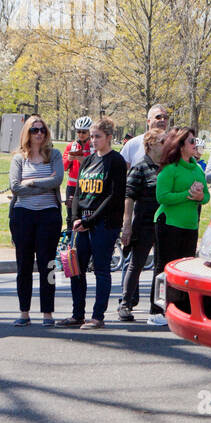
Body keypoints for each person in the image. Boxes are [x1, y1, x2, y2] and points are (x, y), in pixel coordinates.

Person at [59, 118, 127, 329]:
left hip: (104, 224)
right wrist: (75, 218)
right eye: (92, 136)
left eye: (98, 136)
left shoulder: (115, 161)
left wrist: (90, 220)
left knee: (101, 269)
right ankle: (77, 313)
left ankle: (98, 316)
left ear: (109, 137)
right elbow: (78, 191)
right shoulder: (88, 161)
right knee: (75, 268)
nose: (93, 140)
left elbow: (113, 197)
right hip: (82, 223)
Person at [9, 116, 65, 327]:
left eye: (42, 130)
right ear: (27, 133)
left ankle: (48, 312)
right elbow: (15, 187)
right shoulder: (19, 159)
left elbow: (57, 179)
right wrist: (45, 183)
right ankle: (24, 312)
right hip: (23, 215)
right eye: (34, 130)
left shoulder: (54, 155)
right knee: (23, 264)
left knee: (48, 264)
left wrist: (31, 182)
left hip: (48, 215)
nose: (39, 134)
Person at [152, 127, 209, 326]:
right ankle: (157, 310)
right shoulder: (170, 169)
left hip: (190, 225)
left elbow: (207, 197)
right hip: (168, 223)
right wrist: (187, 194)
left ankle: (181, 309)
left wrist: (201, 196)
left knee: (185, 269)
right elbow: (162, 197)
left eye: (196, 141)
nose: (195, 145)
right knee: (165, 266)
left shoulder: (197, 169)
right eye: (191, 141)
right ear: (181, 146)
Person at [118, 130, 164, 322]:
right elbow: (129, 196)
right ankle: (125, 304)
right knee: (136, 264)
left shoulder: (165, 167)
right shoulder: (140, 167)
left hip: (162, 223)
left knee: (160, 267)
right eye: (162, 142)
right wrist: (126, 225)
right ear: (151, 144)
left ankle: (157, 305)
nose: (165, 145)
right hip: (144, 222)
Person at [63, 116, 94, 229]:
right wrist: (69, 159)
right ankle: (70, 239)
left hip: (88, 186)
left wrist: (84, 160)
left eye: (84, 132)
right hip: (72, 185)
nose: (81, 134)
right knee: (71, 214)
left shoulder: (93, 146)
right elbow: (63, 167)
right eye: (79, 131)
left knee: (86, 213)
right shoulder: (71, 146)